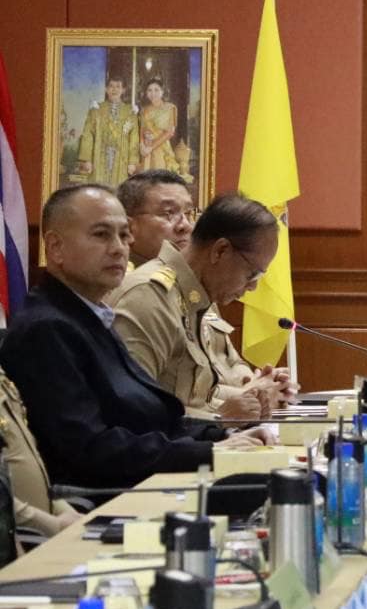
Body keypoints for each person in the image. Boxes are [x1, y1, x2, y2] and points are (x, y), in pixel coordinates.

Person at [0, 185, 262, 493]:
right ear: (55, 247)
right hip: (100, 499)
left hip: (142, 481)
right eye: (101, 235)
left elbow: (146, 421)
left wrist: (221, 437)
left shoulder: (87, 315)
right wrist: (209, 452)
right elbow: (90, 449)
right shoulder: (46, 329)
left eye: (124, 236)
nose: (118, 248)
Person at [117, 170, 293, 410]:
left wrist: (256, 391)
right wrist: (221, 419)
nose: (253, 286)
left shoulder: (198, 294)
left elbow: (203, 390)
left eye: (189, 213)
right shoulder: (147, 296)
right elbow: (136, 412)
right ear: (220, 251)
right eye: (252, 274)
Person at [1, 366, 79, 538]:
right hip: (20, 537)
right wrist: (53, 525)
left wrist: (65, 511)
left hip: (44, 531)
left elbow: (27, 459)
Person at [73, 77, 139, 188]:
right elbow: (88, 135)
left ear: (123, 90)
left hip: (121, 157)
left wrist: (132, 162)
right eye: (111, 86)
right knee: (98, 188)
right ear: (106, 89)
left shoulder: (130, 112)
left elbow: (134, 138)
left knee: (118, 189)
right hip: (99, 155)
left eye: (118, 86)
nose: (114, 89)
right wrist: (87, 159)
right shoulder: (96, 109)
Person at [136, 77, 185, 176]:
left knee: (160, 178)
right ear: (146, 93)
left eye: (156, 90)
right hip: (146, 149)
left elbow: (169, 132)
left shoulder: (169, 108)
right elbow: (142, 129)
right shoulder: (144, 110)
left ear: (162, 92)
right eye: (149, 90)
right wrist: (142, 145)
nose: (153, 93)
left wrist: (151, 147)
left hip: (161, 148)